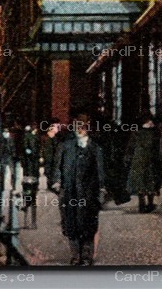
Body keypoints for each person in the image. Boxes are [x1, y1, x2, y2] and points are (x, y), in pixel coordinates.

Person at [56, 111, 106, 266]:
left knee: (88, 225)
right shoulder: (66, 146)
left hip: (89, 193)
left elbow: (100, 169)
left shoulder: (94, 148)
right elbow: (58, 165)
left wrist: (102, 188)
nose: (80, 130)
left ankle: (87, 256)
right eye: (78, 127)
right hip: (70, 191)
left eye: (83, 127)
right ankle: (75, 255)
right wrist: (57, 181)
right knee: (71, 225)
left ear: (87, 128)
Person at [127, 113, 161, 213]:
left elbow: (130, 147)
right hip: (149, 160)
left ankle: (142, 205)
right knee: (150, 182)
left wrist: (129, 158)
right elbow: (156, 148)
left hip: (138, 161)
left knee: (141, 183)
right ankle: (150, 204)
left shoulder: (136, 133)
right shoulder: (153, 133)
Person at [18, 124, 41, 210]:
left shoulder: (34, 137)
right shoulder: (29, 137)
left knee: (31, 183)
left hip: (32, 165)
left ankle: (30, 199)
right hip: (30, 164)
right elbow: (26, 149)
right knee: (29, 183)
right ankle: (29, 200)